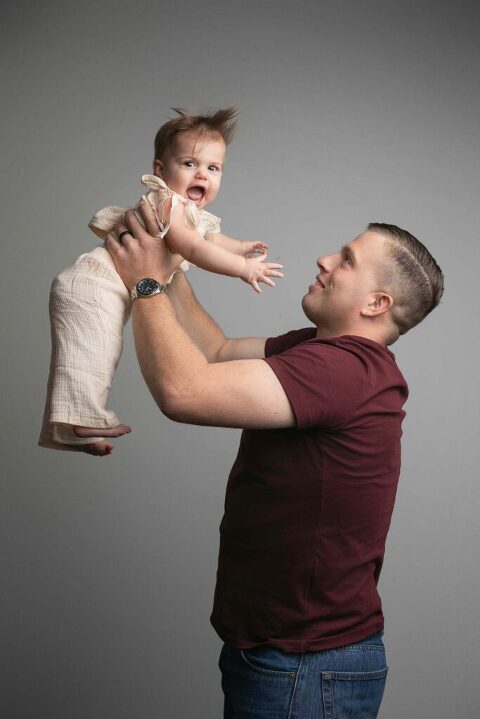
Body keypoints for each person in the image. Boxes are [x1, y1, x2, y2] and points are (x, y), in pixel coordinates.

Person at [102, 204, 443, 718]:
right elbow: (215, 352)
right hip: (283, 655)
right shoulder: (320, 350)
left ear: (377, 302)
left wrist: (145, 283)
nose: (325, 260)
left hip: (304, 666)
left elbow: (184, 391)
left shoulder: (344, 370)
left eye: (346, 259)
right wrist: (170, 261)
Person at [38, 107, 282, 455]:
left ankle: (66, 430)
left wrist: (241, 247)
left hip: (98, 285)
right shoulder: (169, 203)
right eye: (189, 164)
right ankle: (85, 418)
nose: (203, 174)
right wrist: (243, 269)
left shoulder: (188, 213)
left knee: (86, 357)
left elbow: (211, 238)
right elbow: (194, 247)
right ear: (160, 170)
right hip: (93, 283)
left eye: (213, 168)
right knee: (92, 356)